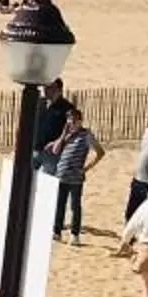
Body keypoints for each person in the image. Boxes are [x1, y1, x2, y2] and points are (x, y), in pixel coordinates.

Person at [44, 97, 101, 240]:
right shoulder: (66, 135)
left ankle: (75, 234)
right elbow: (56, 151)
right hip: (61, 174)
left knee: (75, 206)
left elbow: (100, 152)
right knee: (59, 204)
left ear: (80, 120)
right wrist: (63, 134)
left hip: (76, 177)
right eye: (70, 121)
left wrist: (87, 168)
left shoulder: (86, 135)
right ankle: (56, 232)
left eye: (75, 120)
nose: (72, 123)